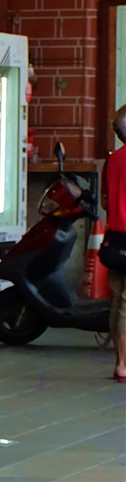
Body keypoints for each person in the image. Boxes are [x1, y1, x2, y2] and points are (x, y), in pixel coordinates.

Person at [107, 104, 126, 382]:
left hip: (115, 236)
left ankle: (120, 359)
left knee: (118, 299)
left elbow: (105, 199)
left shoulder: (114, 159)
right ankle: (123, 364)